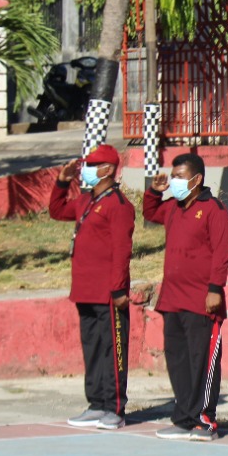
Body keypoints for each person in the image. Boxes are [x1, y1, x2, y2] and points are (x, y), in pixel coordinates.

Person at [143, 153, 228, 441]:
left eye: (180, 177)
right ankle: (183, 417)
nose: (175, 182)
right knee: (178, 360)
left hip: (201, 300)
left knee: (202, 362)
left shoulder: (213, 209)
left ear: (197, 179)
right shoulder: (172, 207)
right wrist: (153, 191)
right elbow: (150, 213)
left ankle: (205, 420)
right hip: (172, 299)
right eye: (173, 176)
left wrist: (215, 288)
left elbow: (223, 251)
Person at [49, 145, 135, 430]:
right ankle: (96, 403)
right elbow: (57, 210)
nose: (85, 170)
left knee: (112, 349)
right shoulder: (86, 200)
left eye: (92, 165)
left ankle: (114, 408)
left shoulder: (118, 205)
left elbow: (122, 250)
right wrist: (62, 182)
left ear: (108, 170)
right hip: (84, 290)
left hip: (107, 292)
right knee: (92, 348)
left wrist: (119, 289)